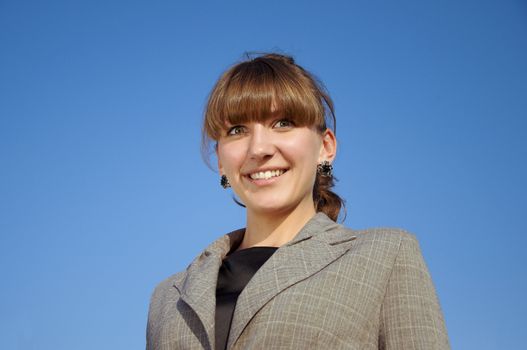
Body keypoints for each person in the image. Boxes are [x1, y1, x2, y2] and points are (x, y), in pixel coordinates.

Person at [146, 53, 450, 350]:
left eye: (283, 123)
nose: (259, 148)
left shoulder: (385, 256)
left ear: (325, 147)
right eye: (237, 130)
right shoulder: (167, 298)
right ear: (221, 161)